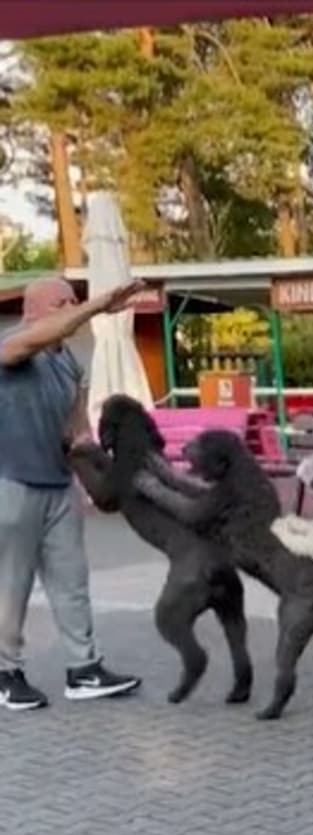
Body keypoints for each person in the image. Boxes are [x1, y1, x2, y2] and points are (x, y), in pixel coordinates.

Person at [0, 275, 146, 710]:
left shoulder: (70, 361)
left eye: (73, 300)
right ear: (33, 311)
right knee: (11, 585)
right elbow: (41, 337)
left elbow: (76, 427)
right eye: (60, 302)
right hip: (11, 483)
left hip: (58, 484)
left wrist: (95, 470)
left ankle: (84, 670)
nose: (70, 308)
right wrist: (99, 303)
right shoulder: (13, 345)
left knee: (72, 582)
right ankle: (6, 673)